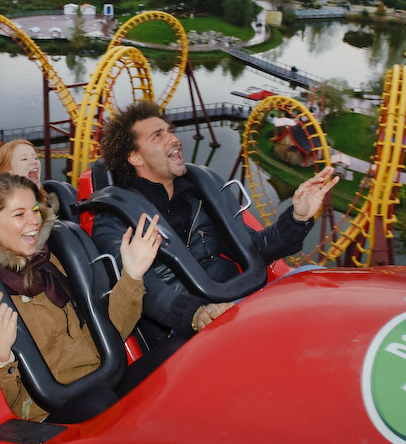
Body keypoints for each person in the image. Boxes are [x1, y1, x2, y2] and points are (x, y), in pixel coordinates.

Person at [92, 100, 338, 341]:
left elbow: (254, 248)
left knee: (313, 276)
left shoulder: (200, 195)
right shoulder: (115, 220)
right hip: (184, 327)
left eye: (170, 131)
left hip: (237, 298)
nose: (174, 139)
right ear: (135, 157)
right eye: (158, 136)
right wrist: (196, 315)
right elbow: (140, 290)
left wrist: (298, 218)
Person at [0, 173, 161, 423]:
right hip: (46, 411)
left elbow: (112, 332)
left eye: (35, 210)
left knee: (173, 358)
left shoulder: (53, 262)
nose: (34, 221)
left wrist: (132, 275)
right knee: (100, 404)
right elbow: (0, 402)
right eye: (19, 215)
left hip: (100, 380)